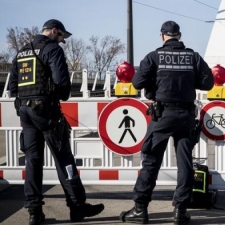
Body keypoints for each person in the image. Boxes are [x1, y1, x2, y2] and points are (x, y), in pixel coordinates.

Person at [8, 19, 104, 225]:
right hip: (46, 112)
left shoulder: (22, 51)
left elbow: (12, 87)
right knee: (64, 160)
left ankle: (34, 212)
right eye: (61, 37)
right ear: (53, 31)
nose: (62, 42)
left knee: (33, 161)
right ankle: (78, 207)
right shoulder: (52, 50)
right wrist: (57, 95)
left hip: (25, 111)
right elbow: (62, 83)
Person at [119, 20, 214, 225]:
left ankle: (140, 209)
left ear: (162, 36)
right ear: (179, 36)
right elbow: (208, 83)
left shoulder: (154, 57)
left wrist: (156, 80)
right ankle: (180, 211)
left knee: (151, 162)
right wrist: (189, 80)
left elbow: (137, 83)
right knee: (185, 163)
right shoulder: (193, 56)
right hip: (186, 117)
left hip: (162, 116)